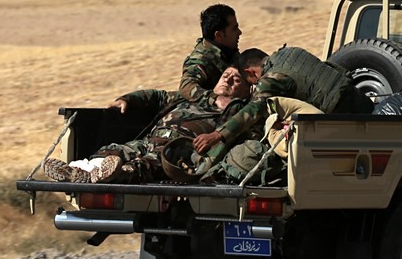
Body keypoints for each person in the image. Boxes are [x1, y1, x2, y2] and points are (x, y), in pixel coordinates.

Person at [44, 67, 252, 184]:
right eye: (226, 76)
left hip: (175, 152)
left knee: (145, 165)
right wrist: (127, 100)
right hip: (149, 140)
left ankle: (109, 174)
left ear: (246, 89)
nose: (228, 81)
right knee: (114, 150)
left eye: (236, 80)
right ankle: (80, 171)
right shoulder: (194, 97)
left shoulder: (238, 113)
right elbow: (158, 96)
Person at [192, 46, 374, 157]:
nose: (255, 87)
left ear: (250, 73)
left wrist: (217, 135)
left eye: (251, 84)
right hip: (361, 102)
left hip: (345, 118)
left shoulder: (272, 77)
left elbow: (255, 108)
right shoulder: (289, 52)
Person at [180, 3, 242, 107]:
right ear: (219, 35)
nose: (239, 32)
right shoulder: (201, 59)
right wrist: (216, 99)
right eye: (234, 29)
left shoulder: (226, 50)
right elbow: (186, 86)